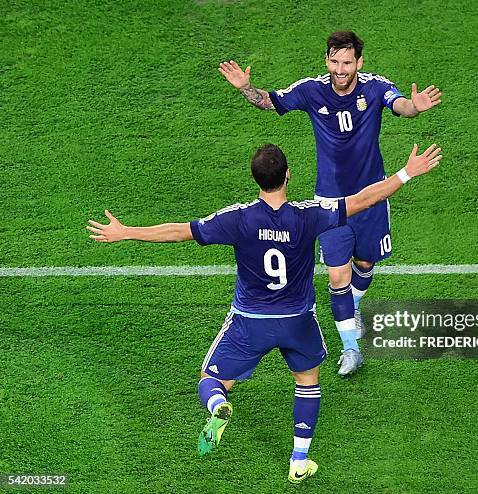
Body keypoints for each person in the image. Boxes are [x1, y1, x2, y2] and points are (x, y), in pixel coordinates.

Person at [86, 142, 442, 483]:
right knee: (307, 383)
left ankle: (218, 407)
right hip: (298, 321)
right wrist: (407, 173)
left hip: (250, 322)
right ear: (288, 175)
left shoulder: (237, 219)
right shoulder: (309, 216)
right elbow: (364, 200)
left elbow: (179, 232)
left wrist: (125, 232)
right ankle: (298, 462)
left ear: (256, 179)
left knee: (211, 380)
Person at [219, 30, 442, 376]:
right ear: (327, 60)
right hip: (331, 201)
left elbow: (400, 105)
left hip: (373, 196)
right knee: (338, 275)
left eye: (347, 62)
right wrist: (245, 87)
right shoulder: (311, 90)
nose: (341, 69)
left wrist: (415, 107)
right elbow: (268, 101)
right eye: (335, 61)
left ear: (359, 62)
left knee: (365, 263)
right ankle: (351, 349)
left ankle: (352, 307)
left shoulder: (375, 86)